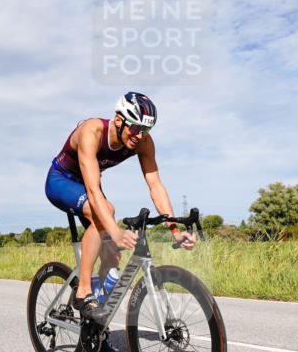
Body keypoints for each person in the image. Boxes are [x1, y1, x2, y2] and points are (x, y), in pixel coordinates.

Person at [44, 92, 195, 331]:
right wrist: (114, 231)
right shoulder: (91, 132)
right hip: (61, 180)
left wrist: (174, 229)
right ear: (118, 119)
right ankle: (82, 292)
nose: (139, 136)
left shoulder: (143, 142)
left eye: (145, 130)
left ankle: (95, 326)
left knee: (112, 256)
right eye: (135, 128)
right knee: (106, 213)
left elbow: (155, 186)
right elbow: (93, 193)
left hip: (89, 184)